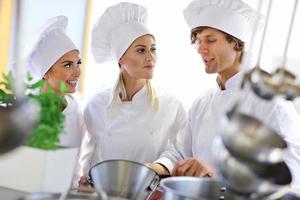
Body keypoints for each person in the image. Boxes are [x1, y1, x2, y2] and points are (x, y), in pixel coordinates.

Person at [151, 0, 300, 185]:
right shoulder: (201, 103)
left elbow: (293, 165)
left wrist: (217, 172)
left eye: (210, 40)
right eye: (198, 41)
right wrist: (155, 168)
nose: (200, 49)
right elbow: (179, 152)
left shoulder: (268, 99)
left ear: (236, 44)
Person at [77, 2, 187, 189]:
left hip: (149, 193)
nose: (150, 57)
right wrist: (87, 178)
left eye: (153, 49)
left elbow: (179, 151)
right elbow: (91, 151)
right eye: (141, 50)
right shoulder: (97, 103)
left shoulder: (171, 104)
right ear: (121, 58)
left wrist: (156, 167)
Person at [24, 15, 85, 149]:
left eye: (78, 63)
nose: (77, 72)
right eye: (68, 65)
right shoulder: (26, 113)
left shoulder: (77, 110)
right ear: (45, 72)